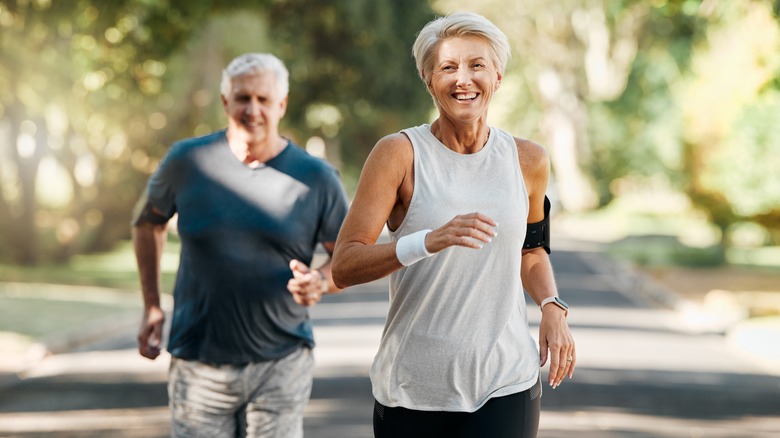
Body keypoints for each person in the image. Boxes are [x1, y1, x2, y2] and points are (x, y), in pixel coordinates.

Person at [331, 12, 575, 438]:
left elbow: (532, 250)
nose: (464, 79)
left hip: (506, 383)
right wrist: (426, 241)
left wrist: (552, 305)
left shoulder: (528, 160)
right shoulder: (398, 154)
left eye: (476, 65)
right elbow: (345, 264)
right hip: (412, 388)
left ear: (497, 77)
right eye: (448, 67)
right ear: (429, 79)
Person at [132, 53, 349, 438]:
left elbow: (347, 257)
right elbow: (147, 222)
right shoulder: (187, 161)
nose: (253, 110)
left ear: (281, 105)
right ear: (225, 102)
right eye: (243, 98)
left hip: (282, 360)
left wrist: (320, 280)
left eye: (264, 100)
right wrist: (151, 303)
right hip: (199, 364)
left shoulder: (317, 178)